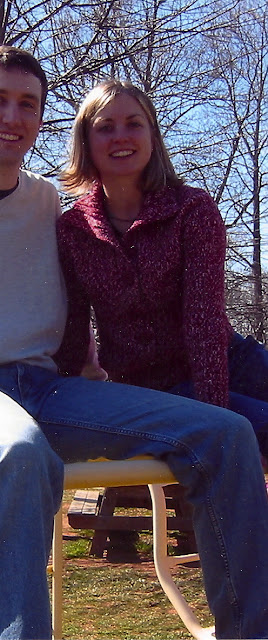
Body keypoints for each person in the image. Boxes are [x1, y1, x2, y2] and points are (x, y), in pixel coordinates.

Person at [0, 48, 268, 640]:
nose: (11, 116)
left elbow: (72, 310)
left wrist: (87, 368)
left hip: (46, 389)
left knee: (227, 432)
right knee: (14, 451)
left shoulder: (46, 205)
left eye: (28, 104)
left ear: (42, 119)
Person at [56, 79, 268, 458]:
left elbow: (204, 321)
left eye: (134, 124)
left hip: (227, 359)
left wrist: (213, 417)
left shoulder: (192, 210)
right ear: (85, 141)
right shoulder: (73, 230)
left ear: (152, 135)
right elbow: (73, 329)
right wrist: (61, 402)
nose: (121, 136)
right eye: (105, 127)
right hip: (152, 387)